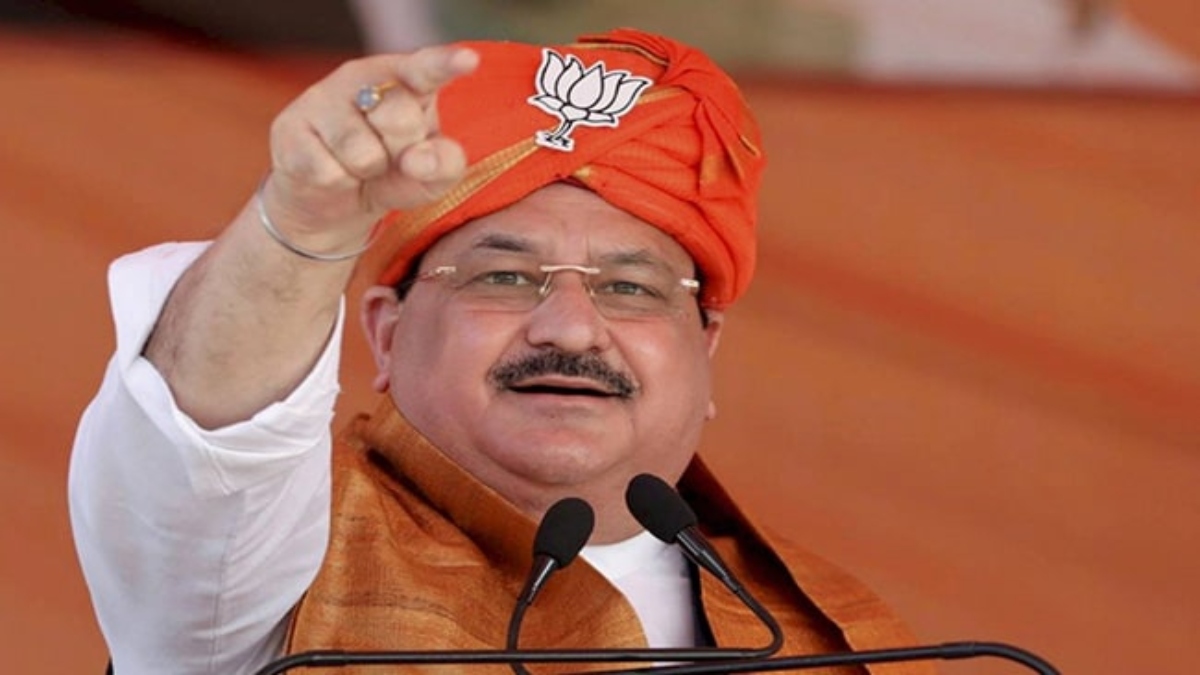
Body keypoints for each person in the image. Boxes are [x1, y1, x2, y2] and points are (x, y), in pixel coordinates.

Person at [69, 28, 929, 674]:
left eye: (629, 287)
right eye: (504, 279)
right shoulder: (267, 564)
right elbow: (207, 448)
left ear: (706, 350)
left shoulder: (827, 631)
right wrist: (300, 229)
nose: (569, 326)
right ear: (387, 330)